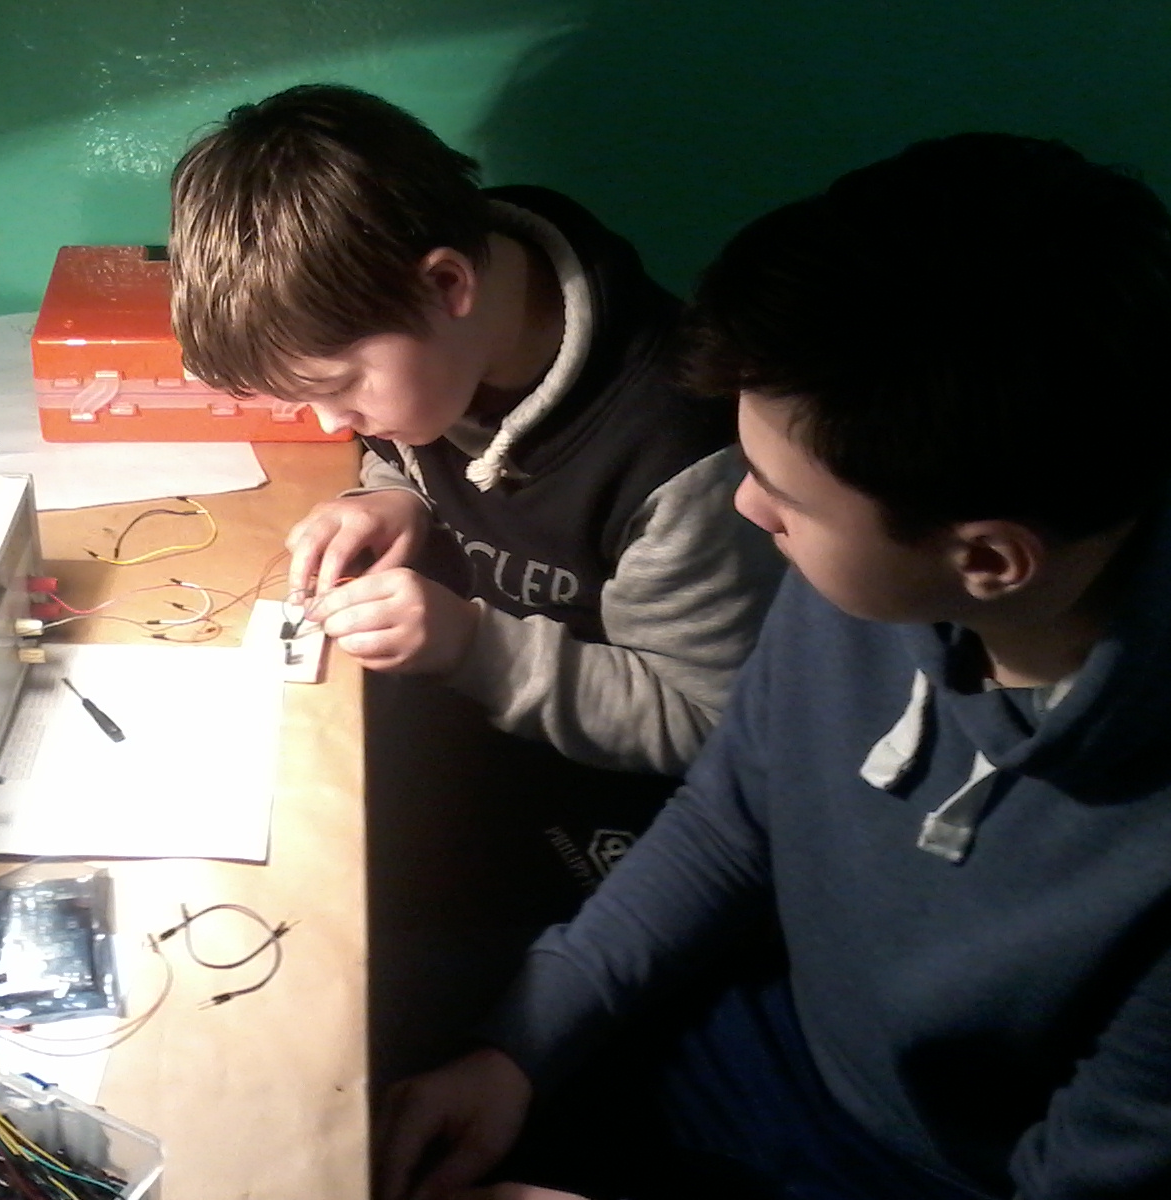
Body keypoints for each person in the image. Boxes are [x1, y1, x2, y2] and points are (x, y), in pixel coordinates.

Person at [378, 132, 1171, 1200]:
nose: (748, 508)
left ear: (986, 560)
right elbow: (729, 820)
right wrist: (516, 1048)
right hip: (756, 1035)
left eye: (787, 500)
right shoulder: (875, 574)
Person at [168, 84, 782, 787]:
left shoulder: (682, 458)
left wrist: (471, 646)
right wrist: (395, 496)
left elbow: (702, 722)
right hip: (447, 716)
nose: (333, 424)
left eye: (338, 386)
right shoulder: (435, 338)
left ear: (446, 285)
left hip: (593, 789)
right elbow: (416, 456)